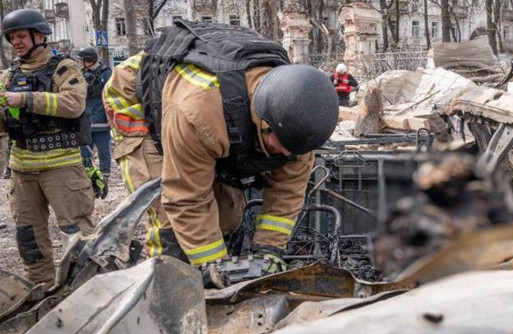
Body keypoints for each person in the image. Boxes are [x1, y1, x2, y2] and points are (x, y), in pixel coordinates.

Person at [125, 20, 339, 287]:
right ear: (263, 119)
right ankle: (161, 291)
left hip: (214, 118)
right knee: (169, 219)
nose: (286, 153)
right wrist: (211, 265)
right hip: (141, 100)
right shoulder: (199, 113)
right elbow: (186, 196)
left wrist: (268, 251)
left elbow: (288, 192)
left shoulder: (296, 125)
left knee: (228, 215)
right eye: (281, 145)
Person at [0, 9, 94, 287]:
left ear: (39, 36)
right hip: (22, 169)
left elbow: (74, 105)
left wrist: (25, 99)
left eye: (20, 36)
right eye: (11, 37)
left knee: (77, 233)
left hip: (62, 168)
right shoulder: (8, 75)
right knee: (28, 236)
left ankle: (85, 289)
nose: (15, 42)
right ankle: (40, 290)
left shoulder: (64, 68)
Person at [102, 52, 172, 259]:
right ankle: (162, 272)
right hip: (143, 142)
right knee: (165, 211)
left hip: (164, 137)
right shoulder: (131, 71)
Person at [77, 46, 112, 196]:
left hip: (102, 121)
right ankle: (89, 175)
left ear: (88, 60)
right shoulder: (82, 75)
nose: (81, 63)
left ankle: (104, 177)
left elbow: (110, 97)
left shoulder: (106, 74)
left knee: (104, 151)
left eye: (82, 60)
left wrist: (111, 118)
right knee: (85, 151)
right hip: (86, 120)